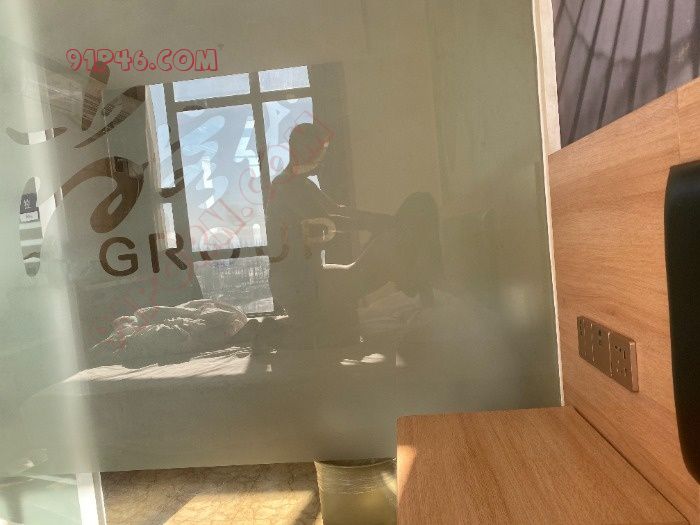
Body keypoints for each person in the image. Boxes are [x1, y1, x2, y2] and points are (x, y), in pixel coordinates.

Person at [265, 123, 441, 345]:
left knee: (347, 325)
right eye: (319, 152)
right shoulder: (287, 185)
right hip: (297, 283)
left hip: (307, 277)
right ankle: (279, 332)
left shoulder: (302, 184)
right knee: (339, 332)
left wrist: (383, 220)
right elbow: (329, 219)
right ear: (302, 149)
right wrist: (376, 224)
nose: (322, 159)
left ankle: (302, 328)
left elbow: (338, 209)